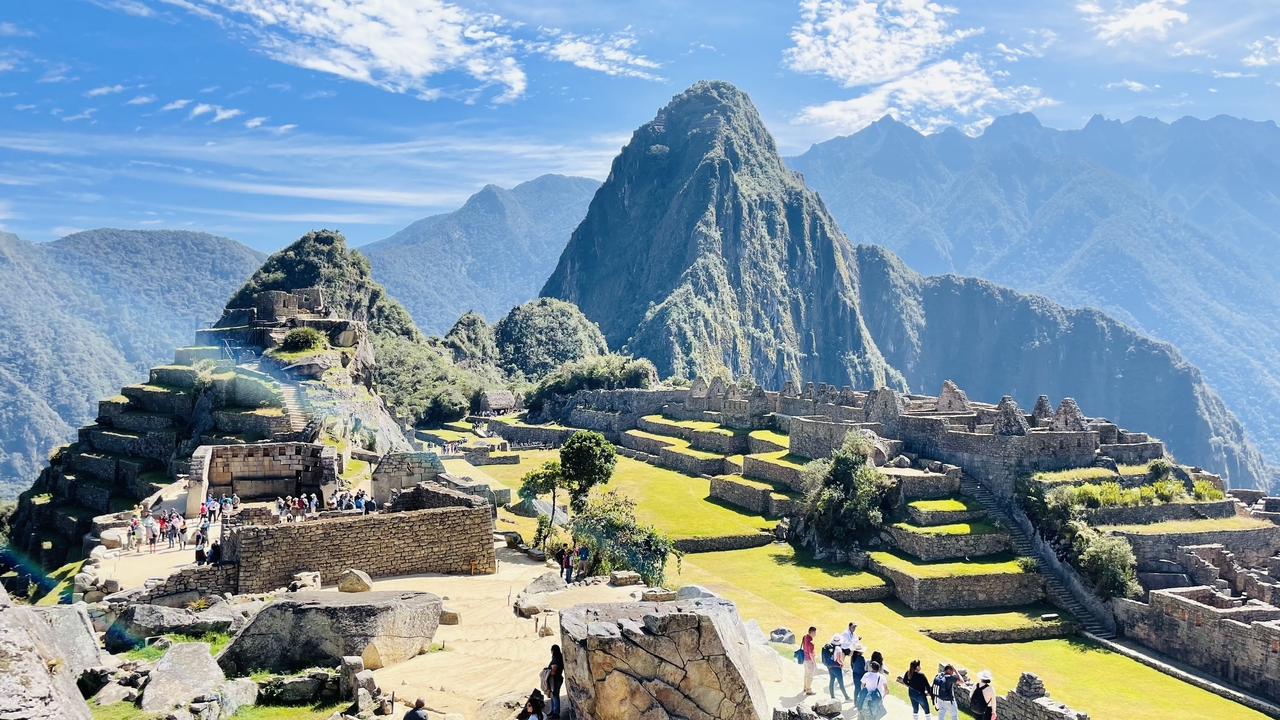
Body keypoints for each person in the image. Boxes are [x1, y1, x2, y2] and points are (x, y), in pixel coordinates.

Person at [823, 634, 851, 701]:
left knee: (832, 680)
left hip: (830, 666)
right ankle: (846, 697)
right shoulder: (838, 649)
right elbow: (838, 660)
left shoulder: (831, 647)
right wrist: (842, 663)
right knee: (841, 683)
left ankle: (832, 696)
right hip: (836, 667)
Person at [545, 644, 564, 718]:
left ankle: (556, 713)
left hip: (555, 680)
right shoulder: (558, 657)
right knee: (553, 696)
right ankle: (553, 711)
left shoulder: (556, 659)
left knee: (555, 696)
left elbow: (553, 672)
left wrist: (546, 673)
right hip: (556, 680)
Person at [850, 644, 867, 708]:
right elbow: (864, 667)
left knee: (856, 688)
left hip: (855, 674)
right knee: (861, 689)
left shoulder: (853, 657)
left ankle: (855, 702)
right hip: (861, 675)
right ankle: (860, 702)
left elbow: (851, 666)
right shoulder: (861, 658)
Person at [801, 626, 817, 695]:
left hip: (805, 659)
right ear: (812, 633)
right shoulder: (811, 643)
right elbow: (811, 654)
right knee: (810, 676)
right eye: (815, 632)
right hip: (809, 660)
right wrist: (814, 663)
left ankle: (805, 687)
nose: (815, 634)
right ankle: (808, 690)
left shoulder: (805, 637)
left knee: (806, 674)